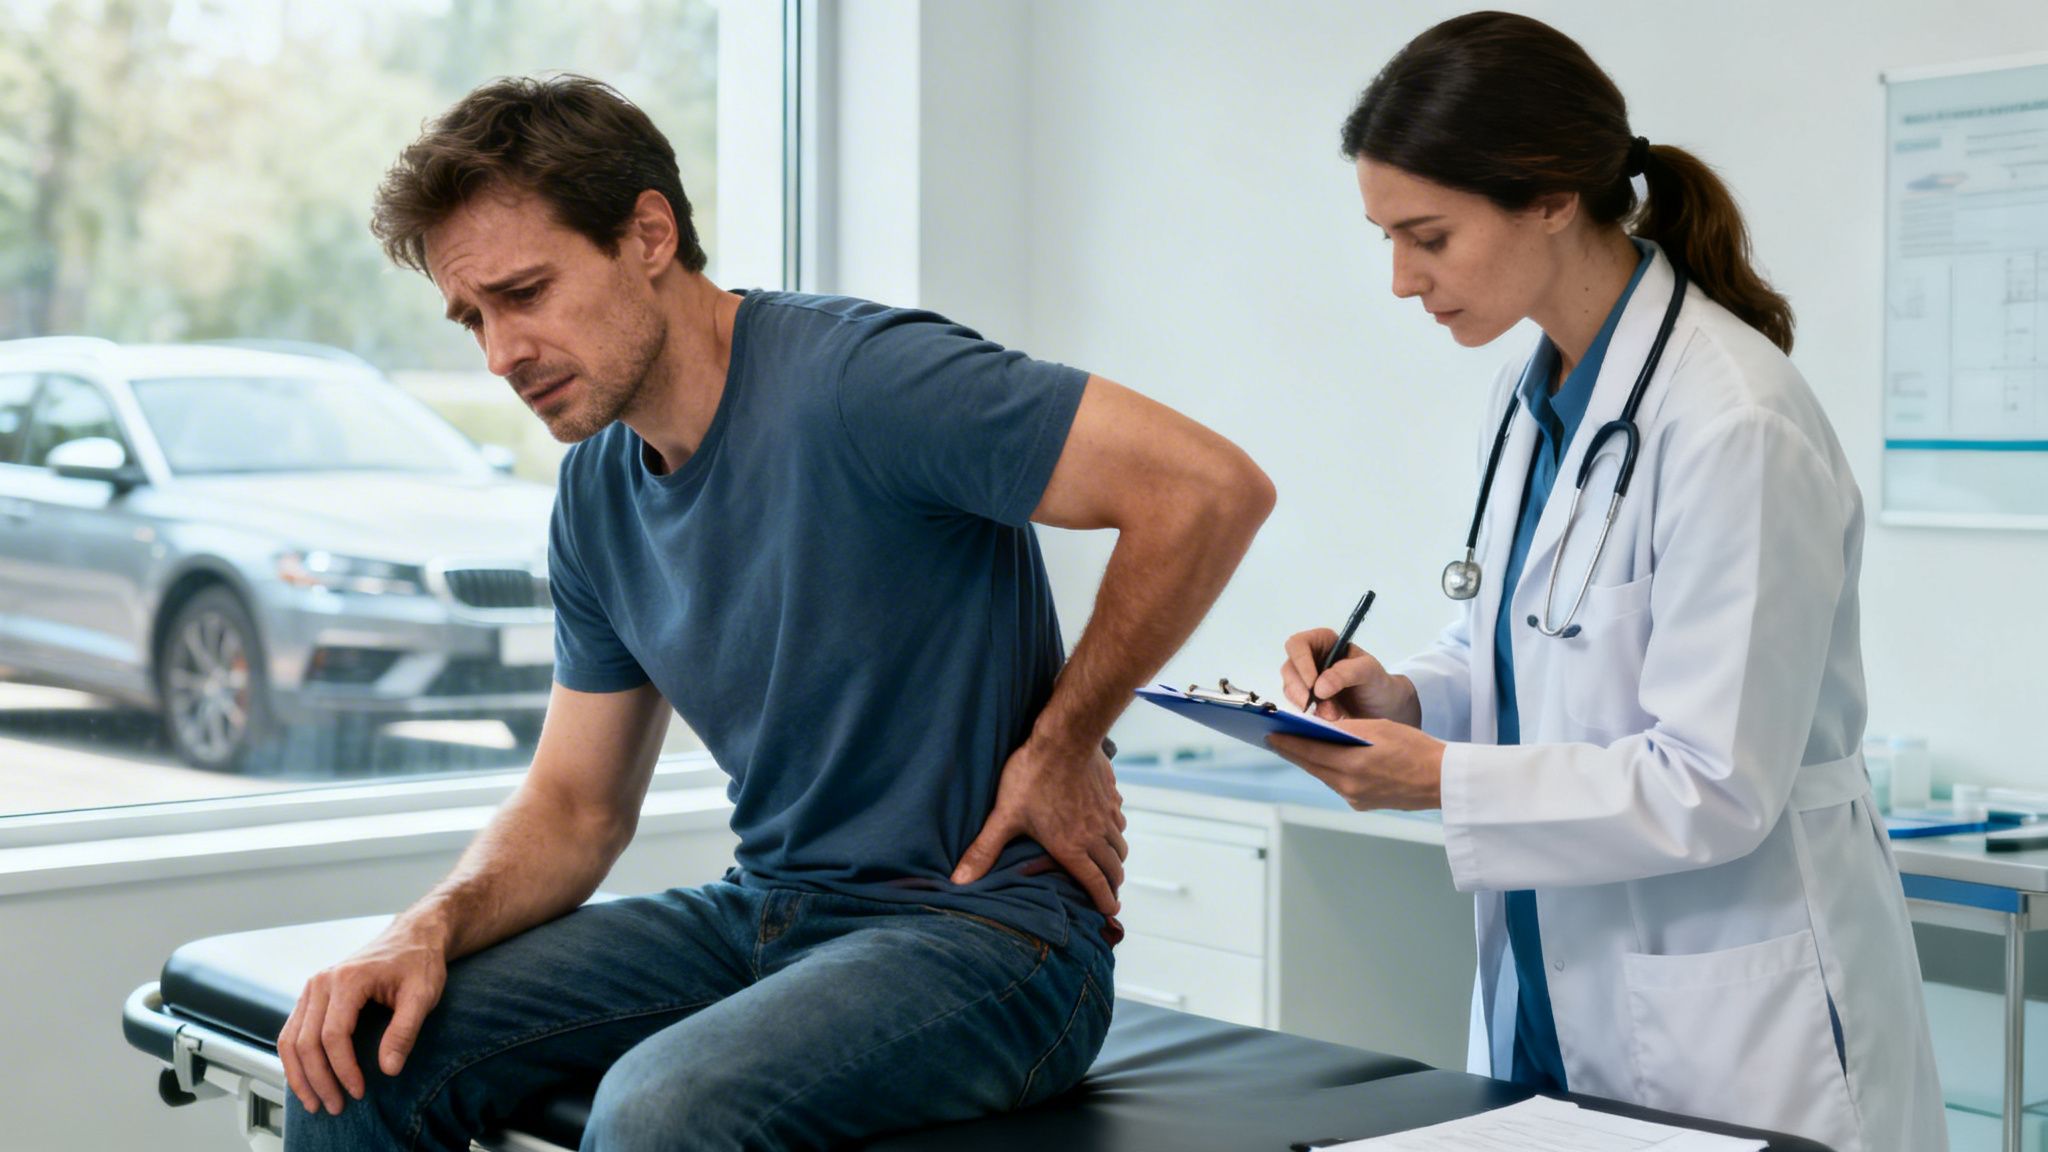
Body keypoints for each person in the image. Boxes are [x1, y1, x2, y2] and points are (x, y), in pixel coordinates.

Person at [278, 75, 1274, 1151]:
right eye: (473, 316)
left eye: (525, 293)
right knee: (359, 1058)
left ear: (648, 234)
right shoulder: (596, 494)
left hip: (990, 937)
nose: (499, 353)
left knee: (662, 1113)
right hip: (770, 911)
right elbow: (575, 808)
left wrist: (1063, 742)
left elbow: (1205, 490)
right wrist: (423, 928)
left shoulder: (866, 380)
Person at [1270, 13, 1943, 1152]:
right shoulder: (1528, 396)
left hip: (1726, 1016)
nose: (1399, 280)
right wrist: (1408, 699)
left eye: (1427, 237)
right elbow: (1534, 647)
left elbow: (1712, 782)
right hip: (1553, 990)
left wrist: (1440, 779)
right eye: (1387, 238)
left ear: (1547, 197)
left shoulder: (1733, 423)